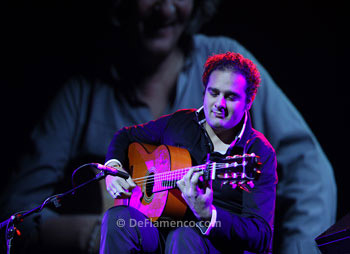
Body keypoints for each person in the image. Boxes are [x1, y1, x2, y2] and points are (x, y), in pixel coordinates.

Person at [0, 0, 336, 253]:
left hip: (197, 238)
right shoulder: (83, 92)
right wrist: (91, 231)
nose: (165, 9)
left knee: (184, 237)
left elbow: (311, 173)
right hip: (142, 231)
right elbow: (17, 206)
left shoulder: (228, 63)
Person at [100, 51, 278, 253]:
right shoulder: (180, 122)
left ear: (248, 102)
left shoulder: (257, 152)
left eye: (230, 97)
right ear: (204, 92)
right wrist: (112, 168)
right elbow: (126, 136)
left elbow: (261, 235)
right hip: (162, 231)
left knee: (184, 236)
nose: (219, 104)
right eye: (213, 93)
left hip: (216, 243)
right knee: (118, 219)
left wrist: (208, 214)